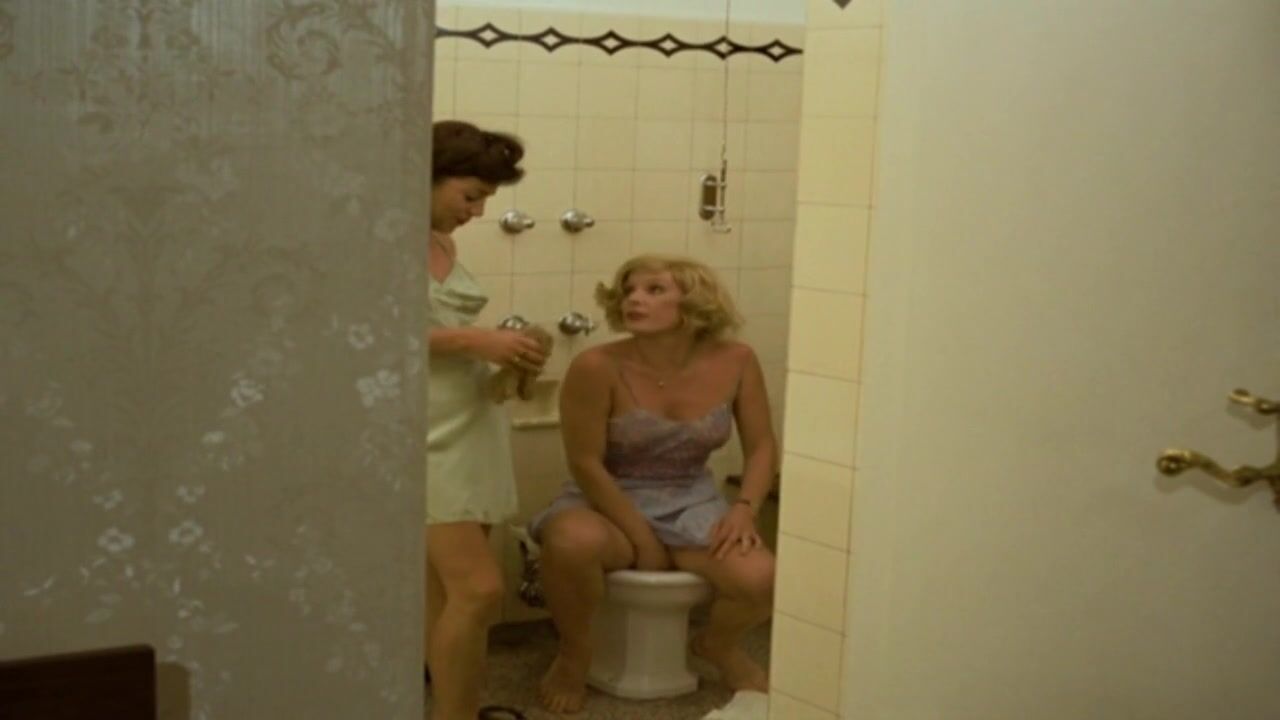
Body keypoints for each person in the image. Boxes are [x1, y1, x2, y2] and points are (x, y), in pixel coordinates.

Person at [529, 254, 778, 714]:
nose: (634, 300)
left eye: (654, 290)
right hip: (607, 498)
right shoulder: (596, 366)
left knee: (762, 579)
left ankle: (718, 645)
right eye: (629, 291)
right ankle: (573, 654)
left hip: (691, 500)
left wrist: (745, 508)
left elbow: (762, 446)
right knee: (569, 541)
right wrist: (642, 538)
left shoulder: (738, 360)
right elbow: (585, 463)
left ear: (695, 302)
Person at [425, 120, 549, 720]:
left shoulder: (442, 243)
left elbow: (444, 333)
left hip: (468, 420)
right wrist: (476, 340)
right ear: (425, 177)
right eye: (470, 195)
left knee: (442, 594)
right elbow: (362, 337)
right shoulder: (377, 240)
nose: (476, 212)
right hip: (422, 434)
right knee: (479, 589)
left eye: (485, 200)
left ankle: (456, 709)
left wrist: (509, 348)